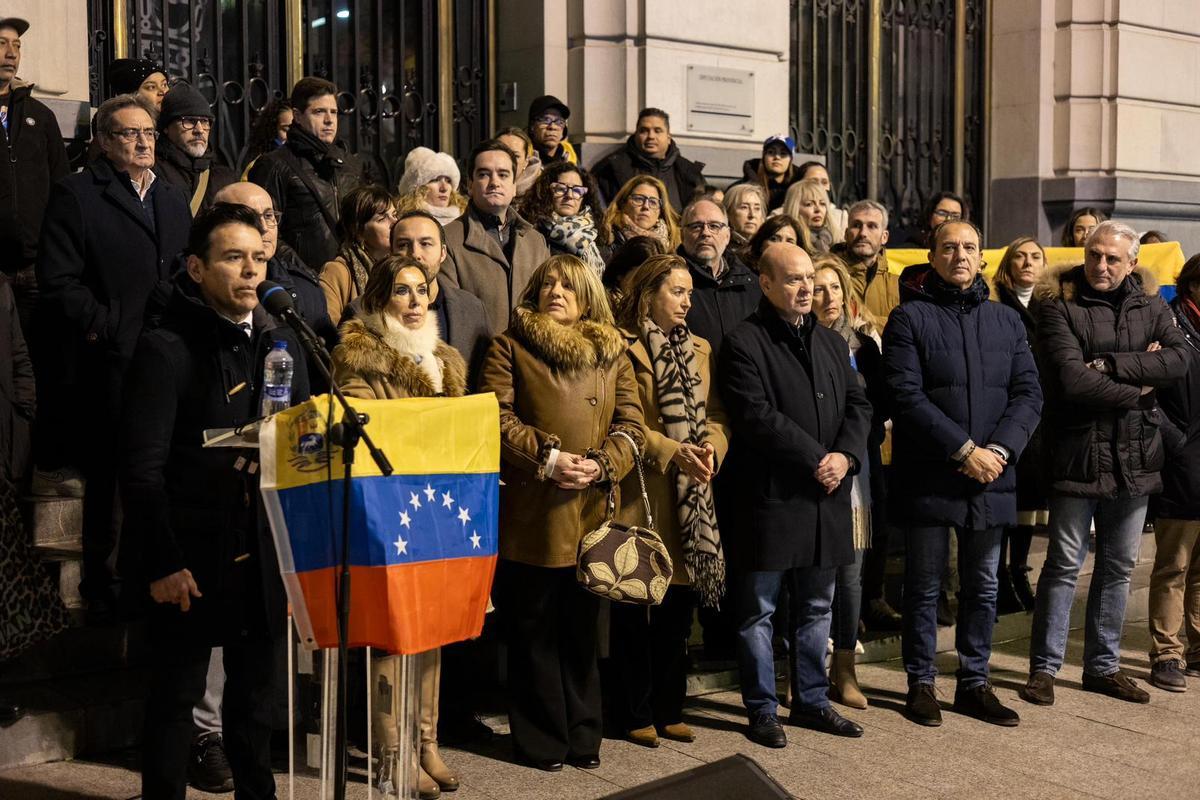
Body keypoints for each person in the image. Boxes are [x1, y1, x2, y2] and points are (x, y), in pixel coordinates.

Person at [121, 204, 310, 800]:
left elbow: (302, 443)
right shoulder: (167, 346)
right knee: (176, 702)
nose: (251, 271)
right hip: (188, 553)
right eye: (234, 258)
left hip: (261, 549)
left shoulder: (284, 340)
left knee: (256, 704)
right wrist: (162, 563)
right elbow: (142, 469)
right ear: (198, 269)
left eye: (258, 258)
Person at [480, 255, 643, 771]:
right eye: (547, 282)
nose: (556, 290)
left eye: (567, 284)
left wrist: (600, 466)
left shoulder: (612, 350)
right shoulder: (510, 346)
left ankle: (583, 737)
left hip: (592, 509)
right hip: (533, 509)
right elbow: (493, 415)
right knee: (532, 628)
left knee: (581, 630)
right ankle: (541, 742)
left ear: (587, 295)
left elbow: (632, 424)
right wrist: (547, 458)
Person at [33, 93, 191, 617]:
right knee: (110, 474)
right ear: (103, 142)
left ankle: (152, 569)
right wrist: (107, 325)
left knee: (158, 465)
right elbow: (57, 281)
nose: (143, 141)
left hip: (164, 352)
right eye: (128, 133)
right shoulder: (77, 193)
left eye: (148, 132)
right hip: (109, 360)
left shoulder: (171, 195)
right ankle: (102, 583)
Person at [884, 219, 1042, 728]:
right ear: (932, 257)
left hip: (993, 474)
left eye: (969, 248)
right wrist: (962, 449)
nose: (959, 256)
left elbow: (1028, 394)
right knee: (925, 587)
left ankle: (975, 683)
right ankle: (921, 683)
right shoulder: (909, 319)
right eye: (948, 248)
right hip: (932, 473)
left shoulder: (1007, 321)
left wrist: (998, 449)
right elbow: (904, 396)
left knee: (984, 587)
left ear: (982, 258)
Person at [1023, 220, 1189, 706]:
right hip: (1078, 453)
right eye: (1095, 254)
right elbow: (1072, 381)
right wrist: (1141, 381)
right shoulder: (1059, 303)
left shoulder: (1152, 304)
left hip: (1137, 455)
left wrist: (1111, 364)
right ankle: (1044, 668)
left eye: (1113, 258)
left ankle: (1102, 667)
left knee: (1118, 566)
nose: (1101, 265)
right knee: (1063, 565)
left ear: (1132, 263)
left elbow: (1179, 361)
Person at [718, 242, 872, 746]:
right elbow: (757, 417)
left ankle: (811, 700)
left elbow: (858, 404)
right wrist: (817, 459)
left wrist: (846, 457)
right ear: (765, 284)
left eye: (809, 277)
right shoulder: (744, 342)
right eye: (793, 279)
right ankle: (762, 708)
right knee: (759, 610)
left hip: (826, 495)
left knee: (816, 608)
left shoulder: (830, 341)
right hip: (772, 497)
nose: (806, 287)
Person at [331, 255, 465, 798]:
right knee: (393, 636)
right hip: (388, 510)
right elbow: (363, 428)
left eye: (421, 290)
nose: (414, 302)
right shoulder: (358, 355)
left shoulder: (448, 359)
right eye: (402, 292)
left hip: (438, 509)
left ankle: (426, 742)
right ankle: (391, 755)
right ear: (379, 298)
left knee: (432, 632)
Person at [609, 254, 730, 748]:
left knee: (677, 615)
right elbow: (622, 418)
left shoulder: (700, 347)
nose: (686, 301)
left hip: (691, 497)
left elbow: (718, 414)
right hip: (644, 491)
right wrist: (669, 450)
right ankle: (632, 711)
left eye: (689, 293)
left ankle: (669, 707)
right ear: (648, 293)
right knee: (636, 612)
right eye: (676, 292)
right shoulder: (622, 346)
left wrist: (711, 450)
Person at [811, 255, 886, 710]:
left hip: (855, 470)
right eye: (819, 288)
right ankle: (802, 667)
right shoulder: (797, 341)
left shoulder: (866, 345)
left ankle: (844, 669)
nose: (828, 296)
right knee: (809, 577)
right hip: (813, 466)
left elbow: (874, 412)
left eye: (835, 287)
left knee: (851, 577)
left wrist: (849, 449)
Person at [248, 76, 374, 270]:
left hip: (350, 277)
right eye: (319, 112)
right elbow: (265, 232)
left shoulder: (348, 164)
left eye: (333, 112)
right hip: (304, 282)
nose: (329, 120)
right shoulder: (274, 164)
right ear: (297, 116)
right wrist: (307, 276)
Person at [1146, 253, 1200, 691]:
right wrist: (1176, 444)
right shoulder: (1169, 325)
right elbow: (1149, 398)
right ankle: (1167, 653)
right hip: (1182, 463)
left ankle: (1199, 648)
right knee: (1174, 566)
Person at [989, 237, 1051, 613]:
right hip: (1004, 412)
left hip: (1039, 416)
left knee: (1029, 501)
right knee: (1005, 500)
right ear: (1007, 264)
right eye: (1020, 257)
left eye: (1035, 257)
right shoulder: (995, 302)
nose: (1028, 263)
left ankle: (1018, 571)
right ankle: (996, 577)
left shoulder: (1052, 305)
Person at [0, 16, 69, 333]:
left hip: (36, 268)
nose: (11, 53)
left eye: (16, 46)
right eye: (1, 44)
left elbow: (62, 187)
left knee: (37, 360)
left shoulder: (40, 116)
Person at [439, 139, 551, 336]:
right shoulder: (447, 238)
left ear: (515, 185)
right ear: (470, 185)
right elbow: (450, 314)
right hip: (477, 360)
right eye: (483, 174)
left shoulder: (536, 241)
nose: (494, 183)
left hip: (529, 359)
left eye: (503, 174)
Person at [213, 181, 335, 352]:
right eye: (250, 217)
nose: (264, 228)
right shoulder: (197, 290)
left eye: (269, 216)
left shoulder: (307, 289)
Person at [391, 210, 491, 385]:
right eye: (403, 244)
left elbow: (487, 380)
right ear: (390, 252)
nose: (415, 254)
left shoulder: (472, 309)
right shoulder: (363, 311)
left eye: (426, 243)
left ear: (443, 253)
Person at [677, 198, 760, 356]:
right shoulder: (666, 281)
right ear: (682, 234)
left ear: (728, 235)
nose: (706, 233)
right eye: (696, 226)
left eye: (714, 226)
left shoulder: (752, 284)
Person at [591, 108, 705, 212]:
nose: (651, 136)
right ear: (636, 135)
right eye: (644, 130)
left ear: (669, 137)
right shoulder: (612, 169)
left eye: (657, 130)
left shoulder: (688, 172)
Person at [152, 82, 236, 216]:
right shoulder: (151, 173)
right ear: (166, 128)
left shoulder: (225, 176)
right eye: (189, 121)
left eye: (204, 121)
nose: (199, 130)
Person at [319, 186, 397, 325]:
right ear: (358, 231)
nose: (394, 222)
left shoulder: (402, 266)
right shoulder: (337, 272)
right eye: (382, 219)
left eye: (395, 214)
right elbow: (330, 329)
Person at [519, 162, 604, 277]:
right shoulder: (532, 233)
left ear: (584, 197)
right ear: (546, 192)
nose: (569, 195)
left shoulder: (599, 234)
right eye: (560, 188)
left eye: (577, 190)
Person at [830, 199, 900, 322]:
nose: (863, 233)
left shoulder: (899, 280)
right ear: (846, 234)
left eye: (872, 226)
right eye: (856, 225)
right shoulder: (829, 274)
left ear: (884, 237)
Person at [597, 175, 680, 260]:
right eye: (638, 199)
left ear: (660, 211)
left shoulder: (674, 247)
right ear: (623, 203)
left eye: (653, 202)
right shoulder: (605, 238)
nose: (646, 206)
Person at [395, 146, 465, 226]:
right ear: (418, 189)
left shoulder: (465, 220)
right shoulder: (406, 224)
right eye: (435, 180)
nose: (444, 188)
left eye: (448, 181)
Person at [735, 134, 802, 212]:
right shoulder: (742, 187)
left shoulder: (798, 188)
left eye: (783, 153)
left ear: (790, 159)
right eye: (771, 152)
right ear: (764, 157)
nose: (777, 157)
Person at [891, 191, 968, 250]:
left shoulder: (969, 248)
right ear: (930, 215)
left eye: (955, 216)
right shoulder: (910, 249)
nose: (948, 219)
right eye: (942, 213)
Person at [601, 235, 665, 304]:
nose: (645, 286)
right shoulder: (603, 306)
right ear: (620, 273)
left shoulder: (656, 307)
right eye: (640, 278)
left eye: (653, 280)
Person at [796, 161, 848, 244]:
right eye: (814, 182)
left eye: (824, 182)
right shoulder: (780, 215)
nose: (820, 187)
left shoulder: (840, 217)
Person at [239, 98, 291, 177]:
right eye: (285, 129)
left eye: (299, 129)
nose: (292, 135)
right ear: (272, 130)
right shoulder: (261, 163)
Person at [781, 178, 834, 254]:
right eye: (809, 204)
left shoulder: (833, 240)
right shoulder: (791, 244)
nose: (818, 209)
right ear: (795, 208)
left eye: (822, 203)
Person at [744, 215, 812, 272]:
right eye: (774, 239)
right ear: (761, 244)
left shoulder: (805, 279)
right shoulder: (744, 273)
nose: (782, 245)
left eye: (789, 242)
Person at [526, 95, 577, 166]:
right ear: (532, 126)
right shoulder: (523, 157)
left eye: (559, 122)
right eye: (546, 120)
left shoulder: (569, 156)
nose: (553, 127)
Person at [495, 127, 541, 198]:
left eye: (516, 156)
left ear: (526, 161)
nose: (508, 160)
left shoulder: (542, 191)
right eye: (501, 154)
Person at [722, 183, 767, 252]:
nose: (752, 215)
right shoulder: (721, 248)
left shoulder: (768, 247)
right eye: (744, 207)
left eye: (757, 208)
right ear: (728, 213)